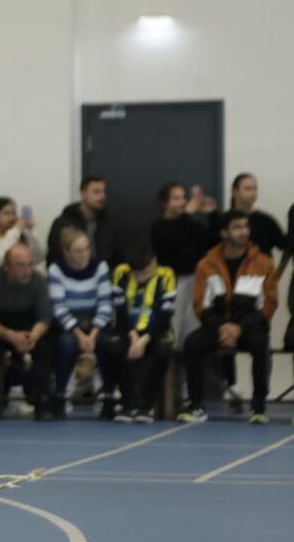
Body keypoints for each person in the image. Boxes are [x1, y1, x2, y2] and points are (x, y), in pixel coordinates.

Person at [178, 210, 278, 424]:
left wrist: (239, 328)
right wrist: (223, 327)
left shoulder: (264, 263)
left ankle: (259, 408)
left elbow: (269, 305)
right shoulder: (207, 264)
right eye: (237, 227)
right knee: (192, 344)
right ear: (224, 233)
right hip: (217, 327)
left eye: (245, 227)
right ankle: (196, 406)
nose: (243, 232)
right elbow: (200, 305)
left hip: (250, 327)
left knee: (261, 345)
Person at [47, 227, 116, 418]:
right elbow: (59, 308)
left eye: (87, 248)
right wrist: (79, 335)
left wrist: (92, 334)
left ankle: (107, 395)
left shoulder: (100, 266)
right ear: (66, 252)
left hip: (96, 322)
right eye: (78, 251)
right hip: (69, 324)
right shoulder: (56, 270)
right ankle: (61, 394)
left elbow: (105, 304)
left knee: (106, 343)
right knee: (67, 344)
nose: (84, 254)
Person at [0, 242, 54, 420]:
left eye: (30, 265)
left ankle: (42, 401)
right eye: (21, 266)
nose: (27, 270)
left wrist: (33, 337)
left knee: (46, 347)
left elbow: (45, 317)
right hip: (0, 330)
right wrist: (12, 336)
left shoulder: (39, 281)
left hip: (29, 329)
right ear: (6, 267)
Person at [106, 243, 176, 423]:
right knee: (113, 348)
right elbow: (120, 309)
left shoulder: (166, 275)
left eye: (143, 273)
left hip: (156, 331)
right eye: (135, 274)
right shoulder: (121, 273)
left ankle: (146, 404)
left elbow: (165, 315)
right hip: (128, 329)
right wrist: (132, 335)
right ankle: (128, 402)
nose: (139, 278)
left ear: (154, 262)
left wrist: (144, 339)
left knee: (163, 349)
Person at [151, 182, 220, 349]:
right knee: (171, 332)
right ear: (164, 203)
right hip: (172, 283)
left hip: (196, 281)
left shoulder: (191, 224)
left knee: (192, 332)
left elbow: (214, 241)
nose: (182, 202)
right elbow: (171, 244)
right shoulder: (158, 227)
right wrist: (187, 213)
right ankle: (169, 373)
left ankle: (187, 373)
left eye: (183, 197)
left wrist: (213, 215)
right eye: (176, 198)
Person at [46, 176, 116, 267]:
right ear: (83, 193)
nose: (102, 196)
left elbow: (115, 256)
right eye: (96, 192)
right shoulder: (62, 224)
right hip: (70, 278)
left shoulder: (107, 223)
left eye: (103, 192)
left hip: (102, 277)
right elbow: (54, 258)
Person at [0, 196, 45, 273]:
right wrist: (16, 229)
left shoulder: (19, 236)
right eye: (6, 213)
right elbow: (1, 261)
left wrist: (29, 231)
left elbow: (39, 256)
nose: (11, 217)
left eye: (14, 213)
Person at [228, 173, 284, 258]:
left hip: (261, 269)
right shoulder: (226, 219)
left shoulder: (266, 221)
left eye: (255, 188)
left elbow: (284, 245)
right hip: (233, 270)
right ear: (235, 192)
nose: (253, 192)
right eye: (248, 189)